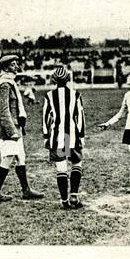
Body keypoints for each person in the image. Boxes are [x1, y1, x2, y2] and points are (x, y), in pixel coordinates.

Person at [0, 54, 43, 203]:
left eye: (16, 64)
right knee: (8, 158)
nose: (17, 67)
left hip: (14, 126)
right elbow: (3, 111)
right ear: (6, 67)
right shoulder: (4, 84)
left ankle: (26, 190)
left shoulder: (8, 82)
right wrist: (12, 131)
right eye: (13, 64)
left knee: (20, 157)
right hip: (8, 127)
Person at [42, 64, 86, 210]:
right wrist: (81, 135)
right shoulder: (75, 94)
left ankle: (64, 201)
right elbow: (79, 116)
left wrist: (46, 136)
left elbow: (45, 118)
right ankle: (74, 196)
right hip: (72, 136)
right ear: (68, 79)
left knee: (61, 168)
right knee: (76, 163)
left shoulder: (49, 95)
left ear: (54, 80)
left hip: (58, 137)